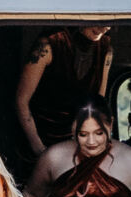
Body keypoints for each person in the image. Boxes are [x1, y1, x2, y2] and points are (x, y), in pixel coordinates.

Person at [13, 25, 115, 165]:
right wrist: (40, 150)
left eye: (108, 22)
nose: (103, 28)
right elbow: (21, 101)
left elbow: (98, 106)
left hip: (79, 147)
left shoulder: (105, 50)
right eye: (99, 18)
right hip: (39, 140)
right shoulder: (50, 44)